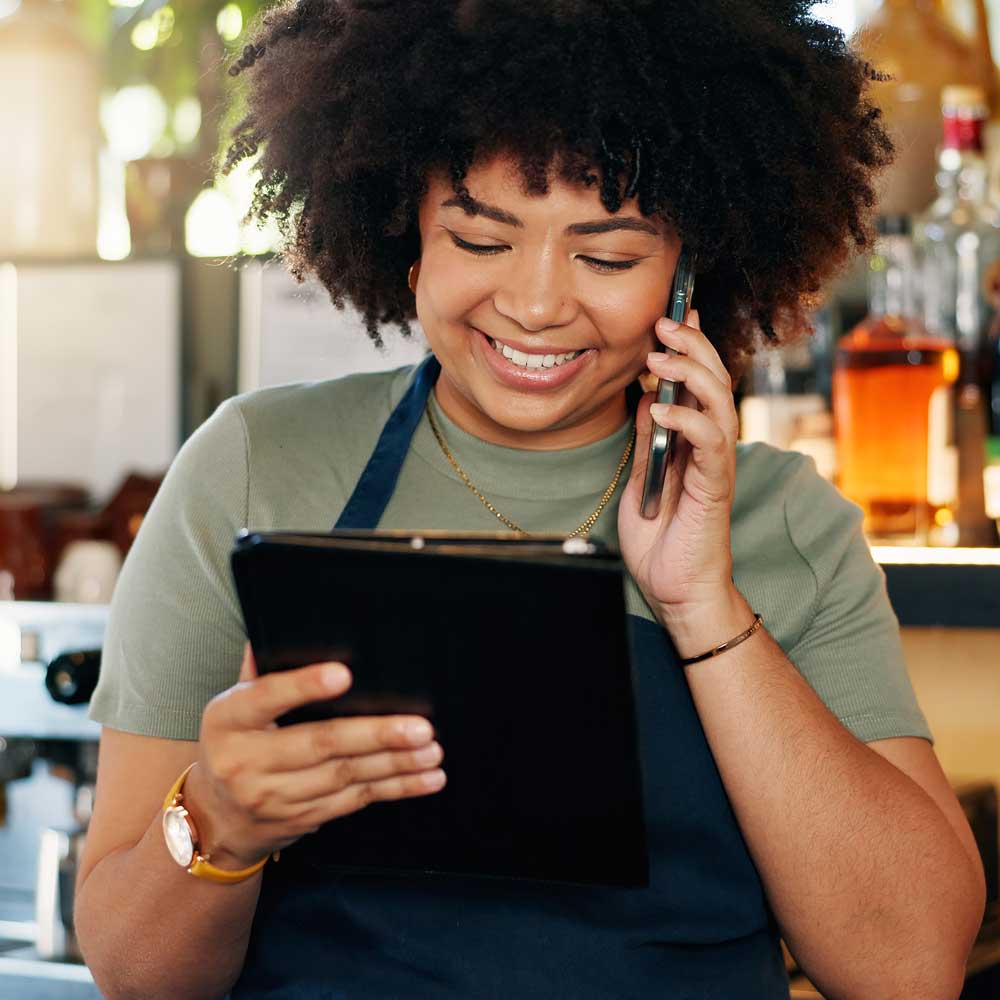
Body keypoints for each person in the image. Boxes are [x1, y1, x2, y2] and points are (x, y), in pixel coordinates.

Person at [75, 2, 986, 997]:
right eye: (481, 237)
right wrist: (222, 817)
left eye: (606, 255)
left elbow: (909, 968)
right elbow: (133, 973)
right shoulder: (252, 465)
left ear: (690, 276)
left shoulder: (785, 521)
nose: (537, 301)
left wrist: (703, 607)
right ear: (406, 236)